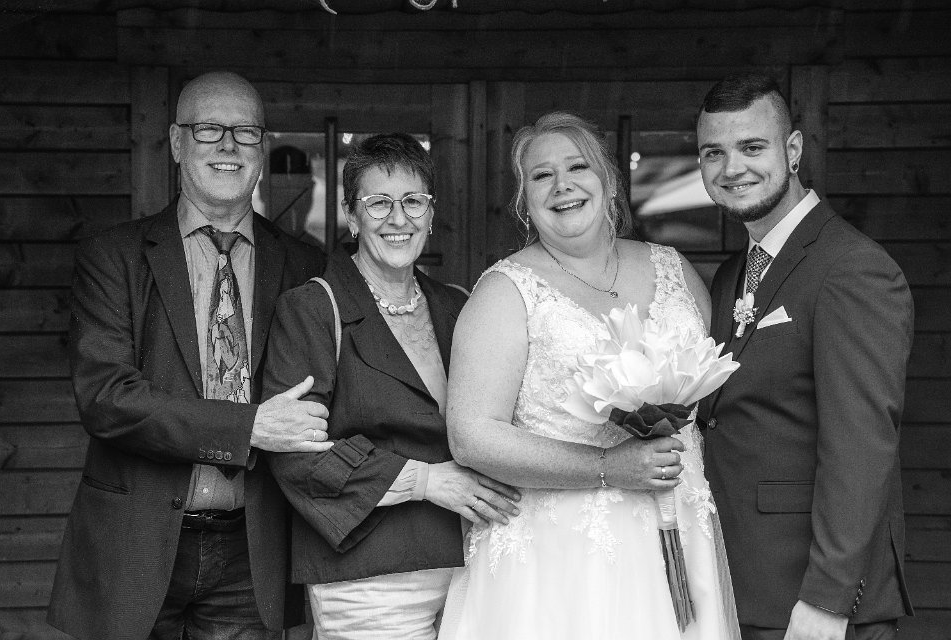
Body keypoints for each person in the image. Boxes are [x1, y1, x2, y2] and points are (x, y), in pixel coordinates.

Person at [47, 71, 330, 640]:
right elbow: (106, 398)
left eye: (245, 132)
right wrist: (249, 427)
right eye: (208, 129)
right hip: (135, 540)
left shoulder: (305, 265)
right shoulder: (113, 256)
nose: (228, 145)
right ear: (177, 143)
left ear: (262, 147)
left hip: (253, 547)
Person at [437, 112, 740, 640]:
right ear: (524, 201)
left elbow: (713, 395)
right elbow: (472, 436)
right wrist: (607, 467)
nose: (562, 185)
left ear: (610, 182)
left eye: (578, 167)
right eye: (542, 175)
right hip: (562, 561)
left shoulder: (673, 269)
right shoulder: (505, 293)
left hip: (680, 532)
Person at [263, 133, 520, 640]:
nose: (398, 219)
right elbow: (296, 455)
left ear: (431, 212)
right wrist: (426, 481)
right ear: (351, 215)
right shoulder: (312, 309)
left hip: (473, 562)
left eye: (413, 201)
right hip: (368, 577)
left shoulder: (458, 305)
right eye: (378, 202)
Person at [696, 72, 914, 640]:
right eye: (713, 153)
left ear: (792, 150)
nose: (732, 168)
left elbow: (861, 447)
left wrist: (827, 600)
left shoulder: (852, 269)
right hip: (741, 584)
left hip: (812, 605)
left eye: (752, 147)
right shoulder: (732, 274)